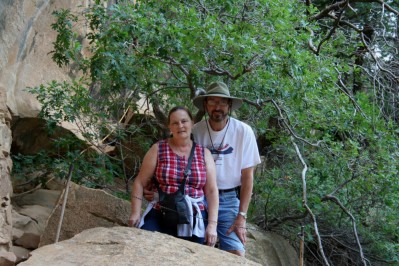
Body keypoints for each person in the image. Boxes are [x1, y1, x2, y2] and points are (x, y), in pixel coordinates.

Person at [129, 106, 218, 247]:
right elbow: (139, 182)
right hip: (161, 212)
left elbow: (212, 191)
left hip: (194, 217)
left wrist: (212, 226)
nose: (180, 126)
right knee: (144, 246)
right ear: (169, 126)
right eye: (175, 123)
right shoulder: (158, 149)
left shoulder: (204, 154)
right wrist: (135, 213)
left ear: (192, 122)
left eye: (184, 121)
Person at [191, 81, 261, 256]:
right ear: (206, 105)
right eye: (213, 101)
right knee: (196, 249)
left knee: (237, 254)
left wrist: (242, 216)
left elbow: (247, 177)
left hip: (228, 198)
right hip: (199, 195)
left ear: (229, 105)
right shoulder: (196, 131)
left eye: (222, 102)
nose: (217, 107)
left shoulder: (243, 131)